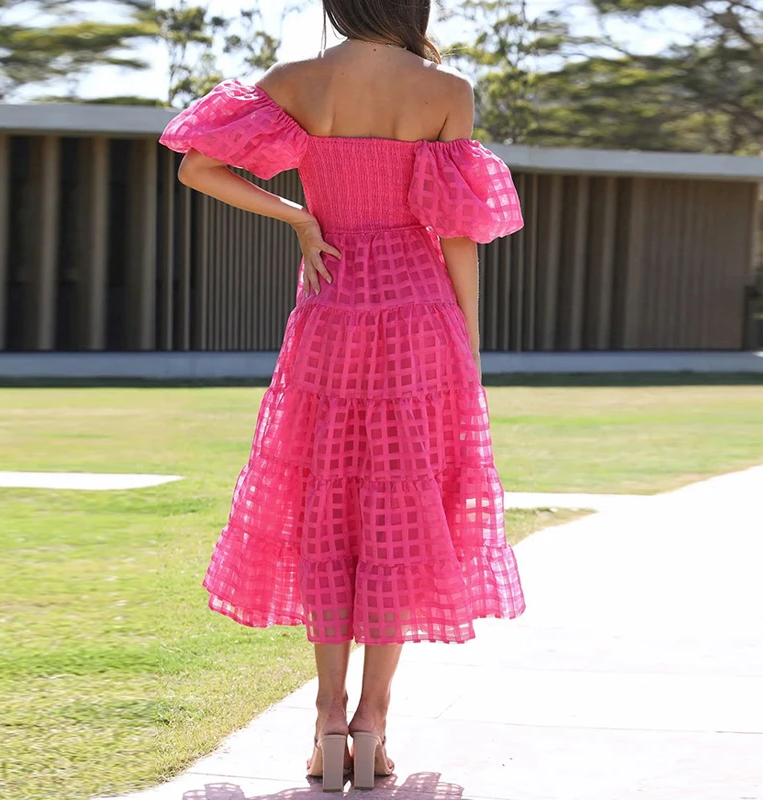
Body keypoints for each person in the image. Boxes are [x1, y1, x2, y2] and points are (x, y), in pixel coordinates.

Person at [159, 0, 527, 791]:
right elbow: (457, 231)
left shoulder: (296, 81)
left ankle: (327, 718)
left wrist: (298, 217)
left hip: (330, 309)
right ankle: (373, 723)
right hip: (419, 316)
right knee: (401, 514)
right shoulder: (446, 92)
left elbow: (196, 167)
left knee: (327, 512)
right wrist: (467, 344)